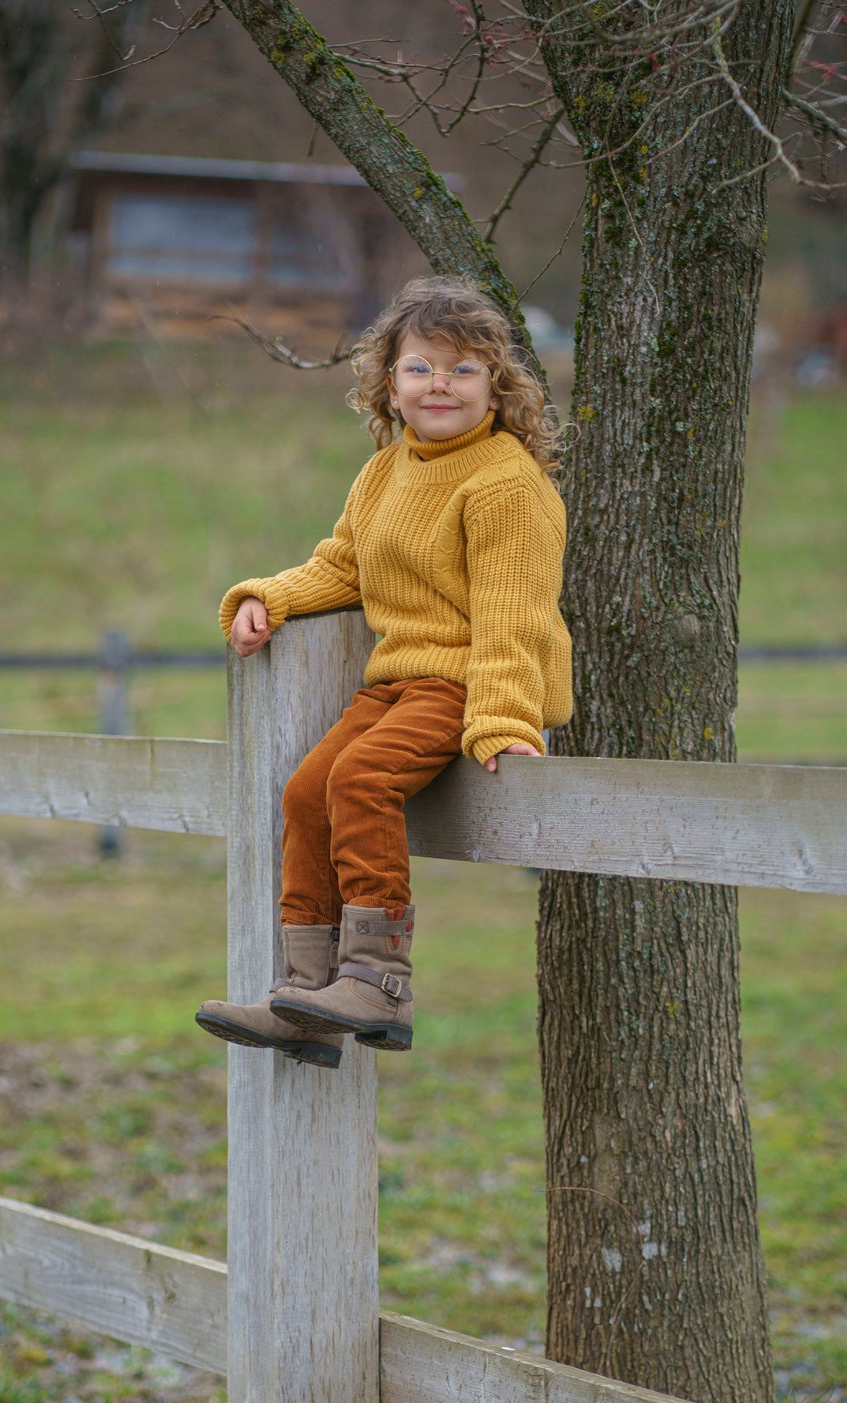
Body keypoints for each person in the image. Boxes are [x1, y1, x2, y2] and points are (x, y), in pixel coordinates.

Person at [196, 275, 573, 1068]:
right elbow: (342, 567)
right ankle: (307, 994)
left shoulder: (506, 483)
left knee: (359, 780)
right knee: (306, 792)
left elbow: (515, 616)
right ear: (389, 386)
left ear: (497, 389)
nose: (440, 385)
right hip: (395, 683)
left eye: (463, 370)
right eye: (420, 369)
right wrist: (267, 599)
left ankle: (378, 982)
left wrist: (505, 720)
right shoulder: (383, 472)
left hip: (465, 682)